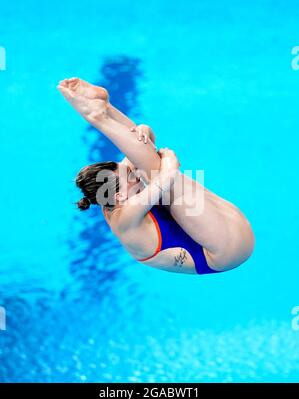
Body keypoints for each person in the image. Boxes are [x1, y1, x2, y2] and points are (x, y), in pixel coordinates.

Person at [58, 78, 254, 275]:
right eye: (131, 178)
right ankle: (98, 117)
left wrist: (144, 130)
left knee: (150, 166)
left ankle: (106, 108)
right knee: (157, 172)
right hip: (224, 253)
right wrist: (168, 157)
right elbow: (165, 176)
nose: (134, 175)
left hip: (221, 228)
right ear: (118, 197)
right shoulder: (123, 219)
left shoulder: (114, 194)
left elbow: (144, 148)